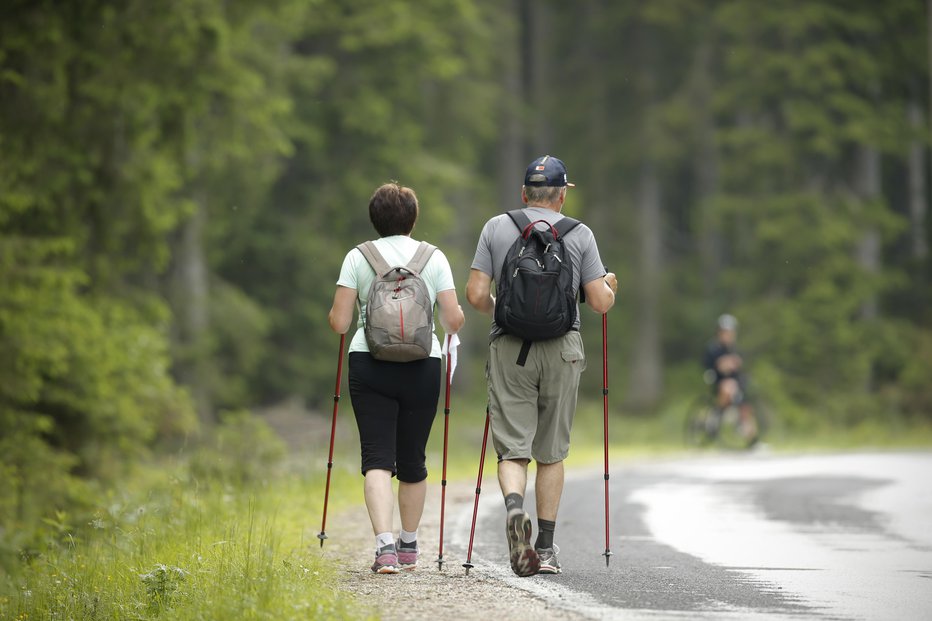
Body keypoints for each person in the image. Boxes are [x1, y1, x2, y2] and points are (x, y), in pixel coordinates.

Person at [466, 155, 617, 577]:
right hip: (562, 347)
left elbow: (476, 295)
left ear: (523, 193)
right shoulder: (580, 234)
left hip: (510, 347)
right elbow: (600, 303)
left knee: (512, 449)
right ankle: (546, 549)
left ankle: (515, 509)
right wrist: (609, 285)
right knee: (551, 452)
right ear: (563, 194)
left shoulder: (497, 228)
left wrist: (502, 310)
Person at [328, 182, 465, 574]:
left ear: (374, 219)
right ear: (413, 218)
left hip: (369, 363)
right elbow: (453, 320)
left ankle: (384, 548)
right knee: (412, 460)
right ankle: (409, 545)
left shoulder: (358, 257)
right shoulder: (433, 257)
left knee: (376, 459)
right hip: (423, 365)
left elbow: (339, 323)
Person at [703, 313, 757, 442]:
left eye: (730, 332)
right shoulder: (713, 349)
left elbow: (739, 366)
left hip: (736, 385)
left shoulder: (734, 349)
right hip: (719, 384)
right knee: (728, 386)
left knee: (746, 406)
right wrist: (725, 365)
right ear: (719, 333)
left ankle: (753, 440)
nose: (728, 335)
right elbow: (714, 367)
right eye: (725, 332)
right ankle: (717, 414)